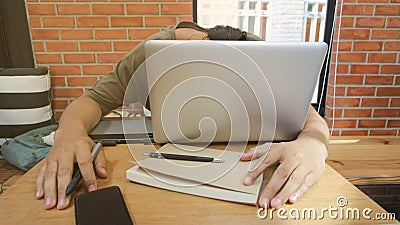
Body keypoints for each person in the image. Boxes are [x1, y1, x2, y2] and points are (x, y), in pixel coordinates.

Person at [35, 21, 329, 210]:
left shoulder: (256, 51)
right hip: (171, 163)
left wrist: (314, 145)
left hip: (246, 164)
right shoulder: (150, 55)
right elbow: (92, 101)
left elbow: (309, 117)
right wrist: (70, 135)